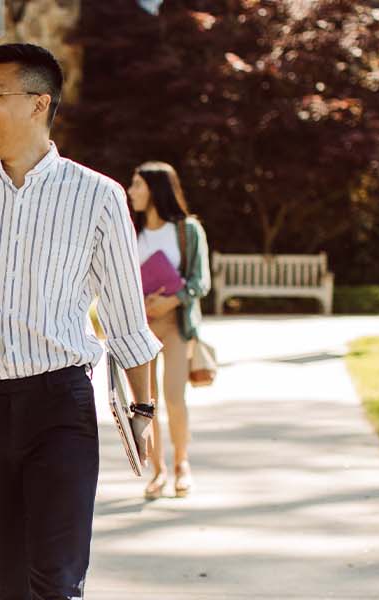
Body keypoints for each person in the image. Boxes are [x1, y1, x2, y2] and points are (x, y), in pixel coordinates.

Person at [0, 43, 161, 600]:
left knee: (57, 579)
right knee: (5, 583)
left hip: (59, 407)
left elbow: (126, 319)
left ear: (39, 104)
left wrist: (144, 411)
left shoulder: (98, 196)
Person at [129, 161, 210, 499]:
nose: (131, 192)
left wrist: (171, 300)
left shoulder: (187, 230)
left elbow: (200, 281)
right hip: (141, 327)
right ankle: (158, 471)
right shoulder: (131, 232)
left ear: (155, 188)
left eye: (137, 185)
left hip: (175, 324)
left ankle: (181, 464)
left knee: (175, 398)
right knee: (148, 403)